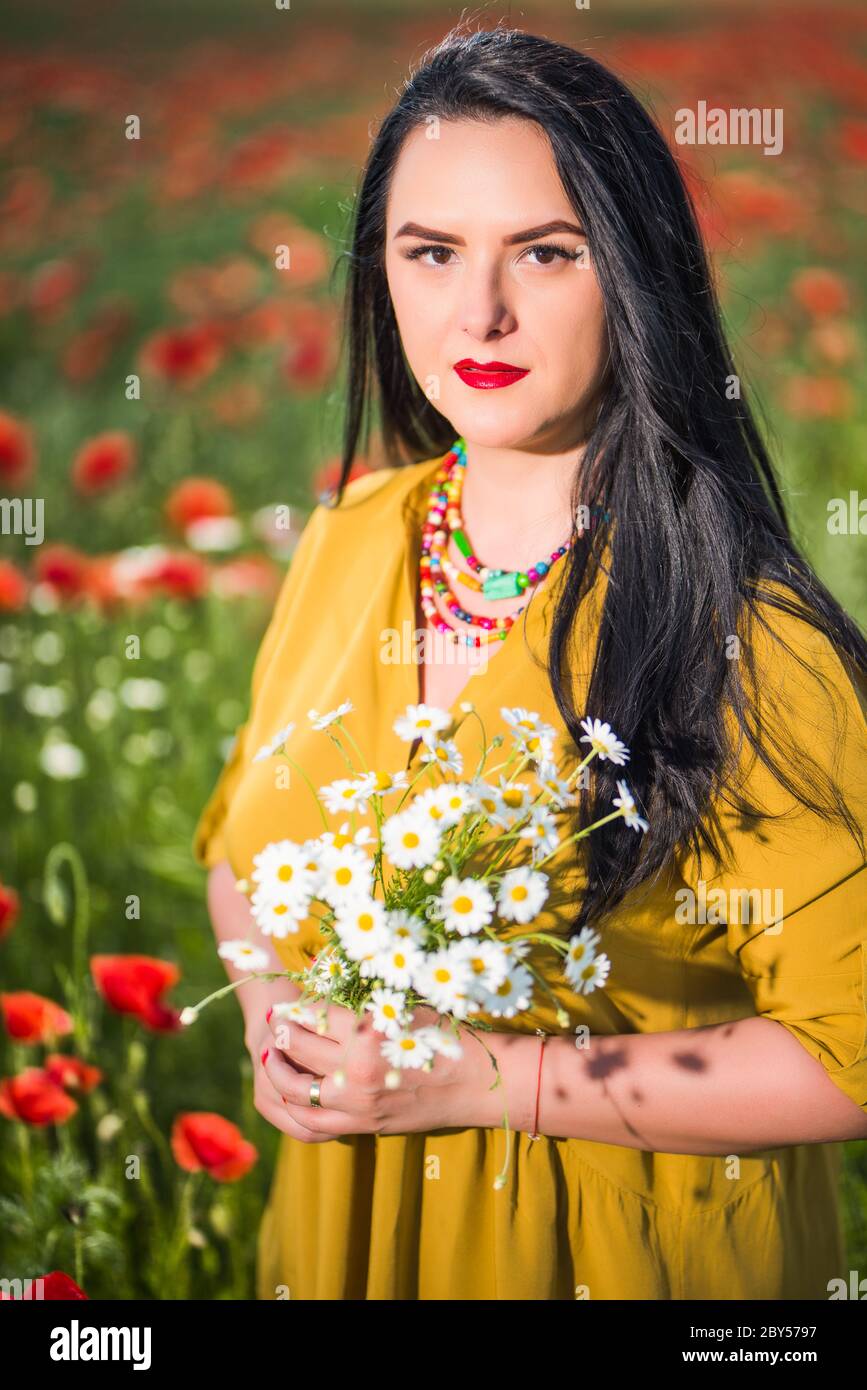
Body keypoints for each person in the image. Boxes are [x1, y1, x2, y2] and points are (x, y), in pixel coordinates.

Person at [193, 25, 867, 1300]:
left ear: (635, 271)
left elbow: (853, 1053)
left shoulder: (745, 633)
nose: (479, 312)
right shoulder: (345, 548)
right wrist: (277, 1014)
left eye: (546, 254)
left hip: (625, 1259)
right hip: (343, 1238)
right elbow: (243, 852)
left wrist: (492, 1081)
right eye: (431, 251)